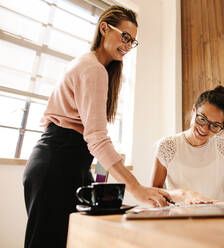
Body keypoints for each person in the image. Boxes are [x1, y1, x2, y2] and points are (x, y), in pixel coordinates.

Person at [23, 6, 170, 248]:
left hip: (64, 161)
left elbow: (90, 138)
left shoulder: (93, 67)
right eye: (125, 36)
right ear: (104, 28)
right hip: (57, 163)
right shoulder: (93, 69)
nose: (128, 45)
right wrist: (136, 188)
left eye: (132, 41)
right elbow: (97, 138)